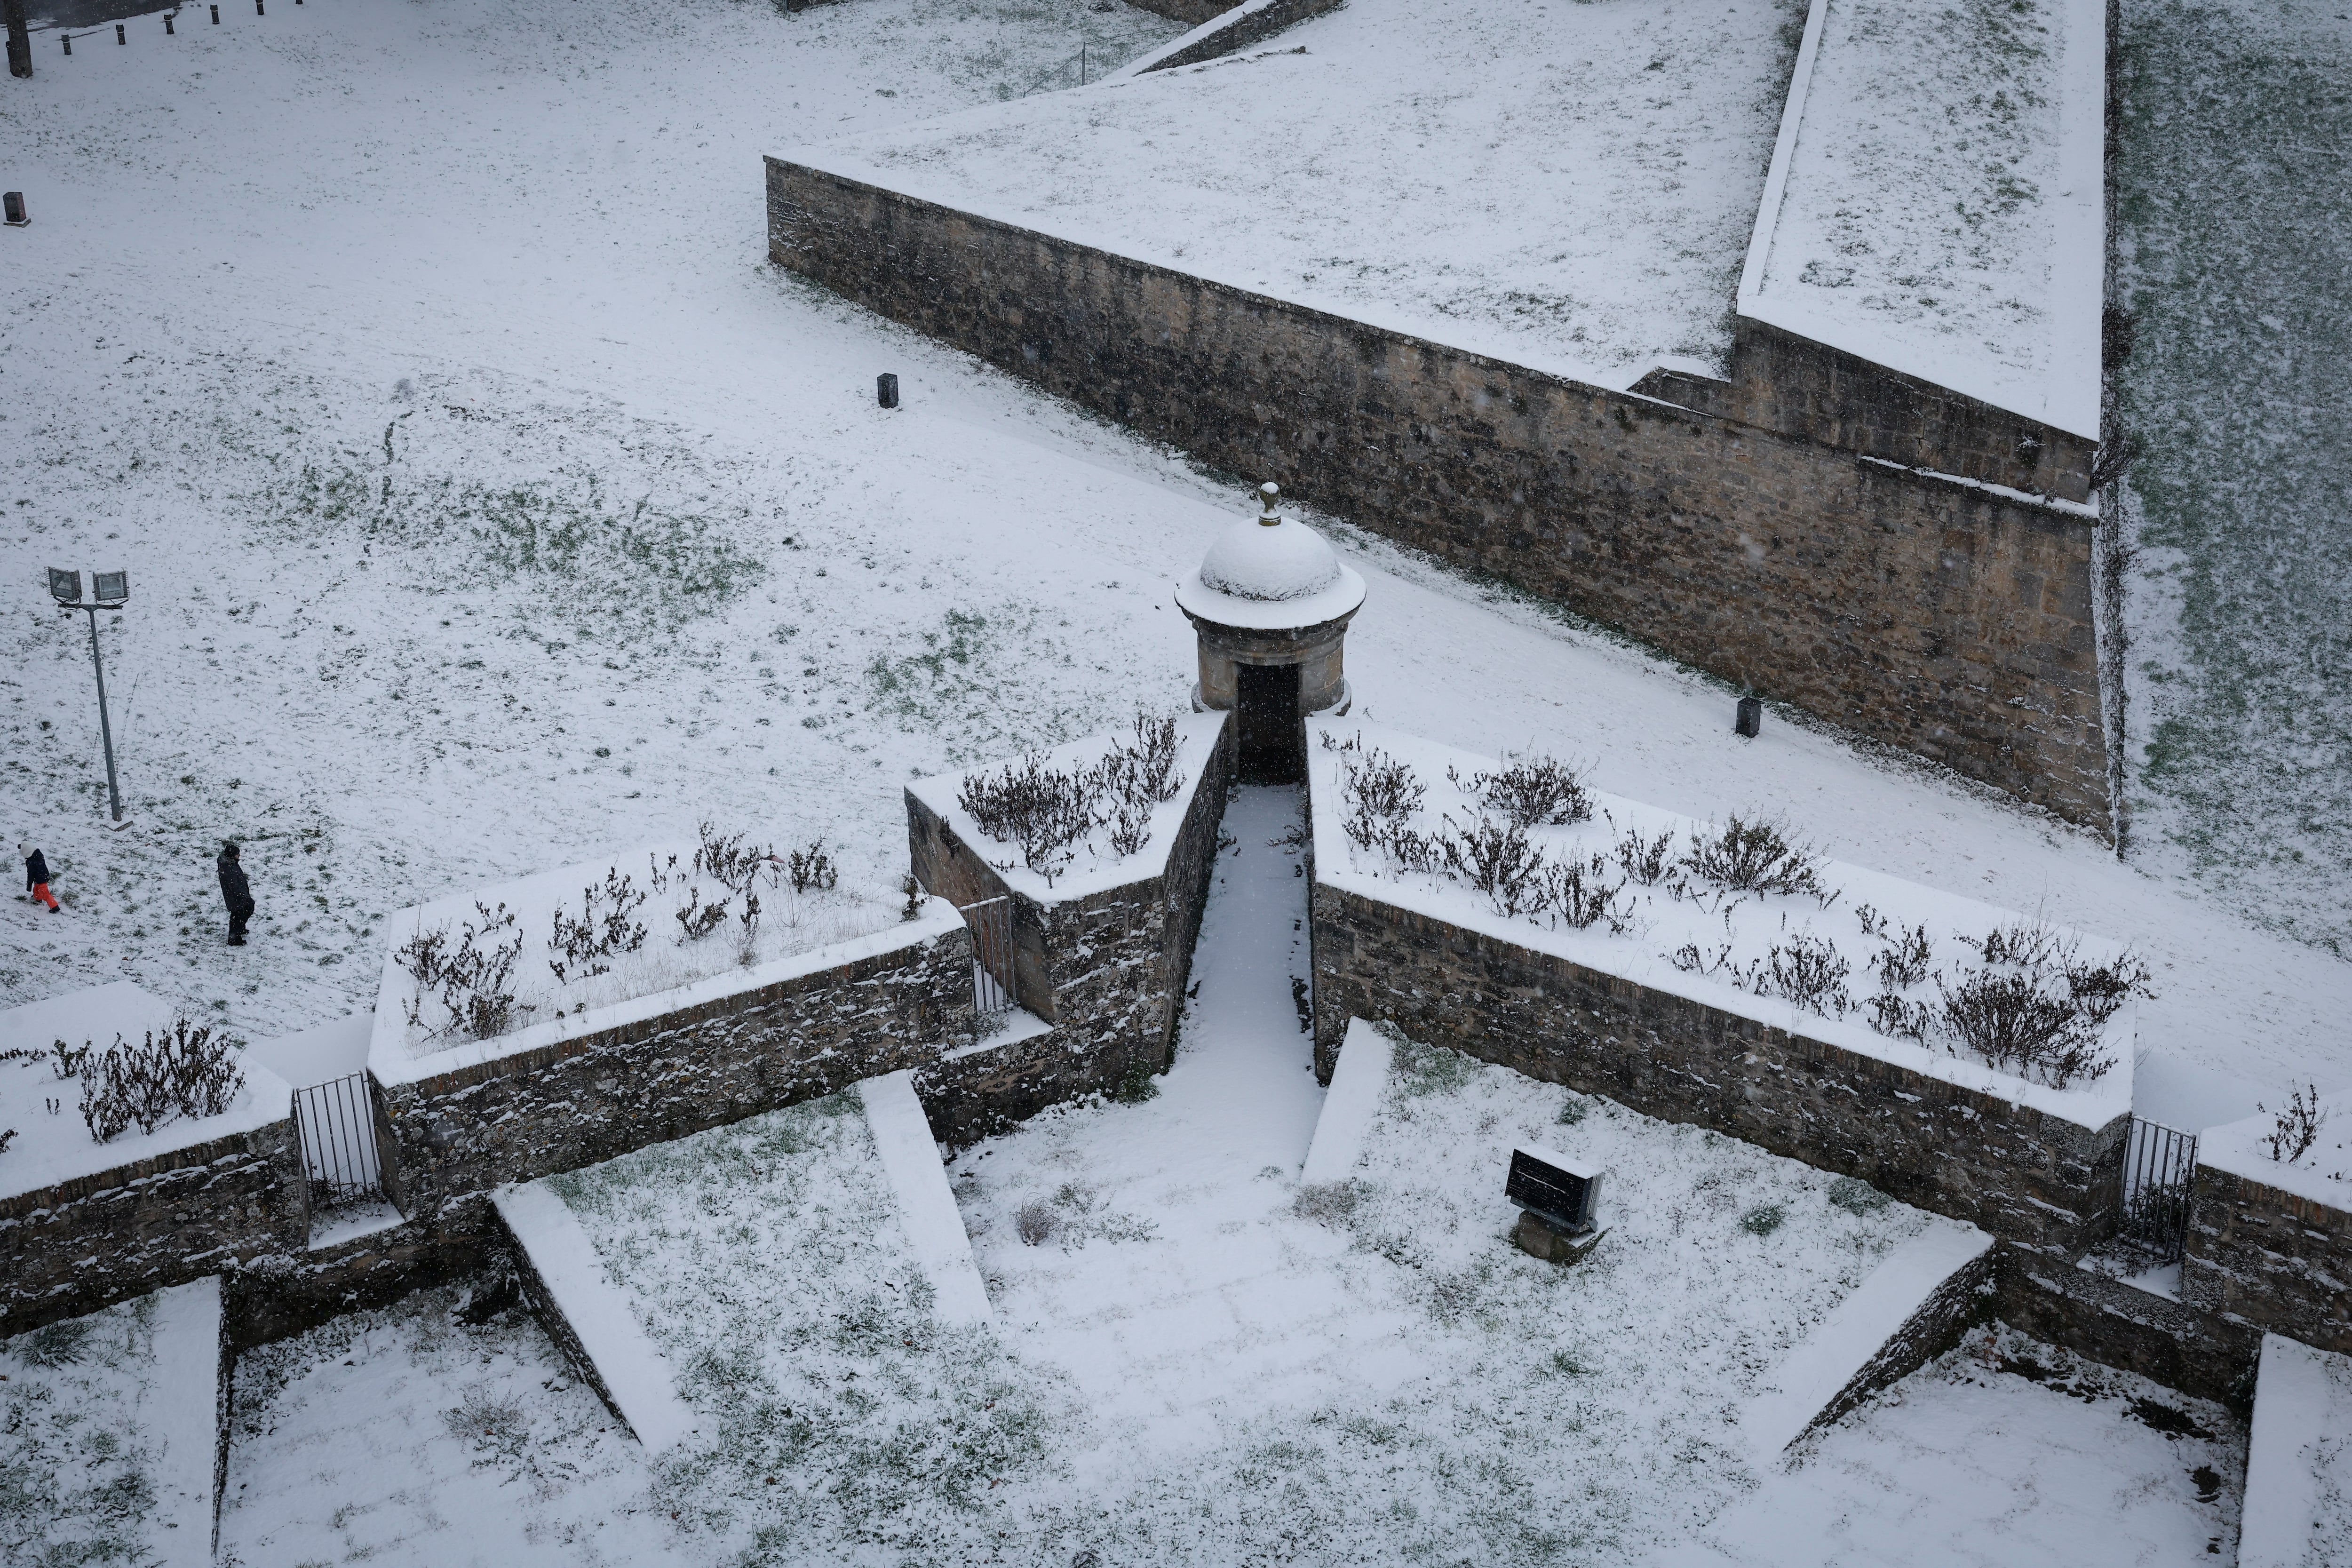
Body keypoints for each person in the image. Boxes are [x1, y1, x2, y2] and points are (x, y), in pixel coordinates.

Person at [217, 839, 254, 946]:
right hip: (235, 898)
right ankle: (234, 939)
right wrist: (244, 896)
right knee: (238, 916)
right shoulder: (228, 868)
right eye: (237, 854)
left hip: (238, 896)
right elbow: (234, 887)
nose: (239, 856)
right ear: (232, 856)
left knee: (245, 911)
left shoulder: (230, 864)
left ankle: (240, 929)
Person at [20, 842, 59, 913]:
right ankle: (38, 898)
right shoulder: (38, 855)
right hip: (44, 876)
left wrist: (29, 884)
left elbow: (30, 874)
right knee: (37, 889)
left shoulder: (31, 862)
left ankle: (55, 907)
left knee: (45, 893)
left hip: (40, 879)